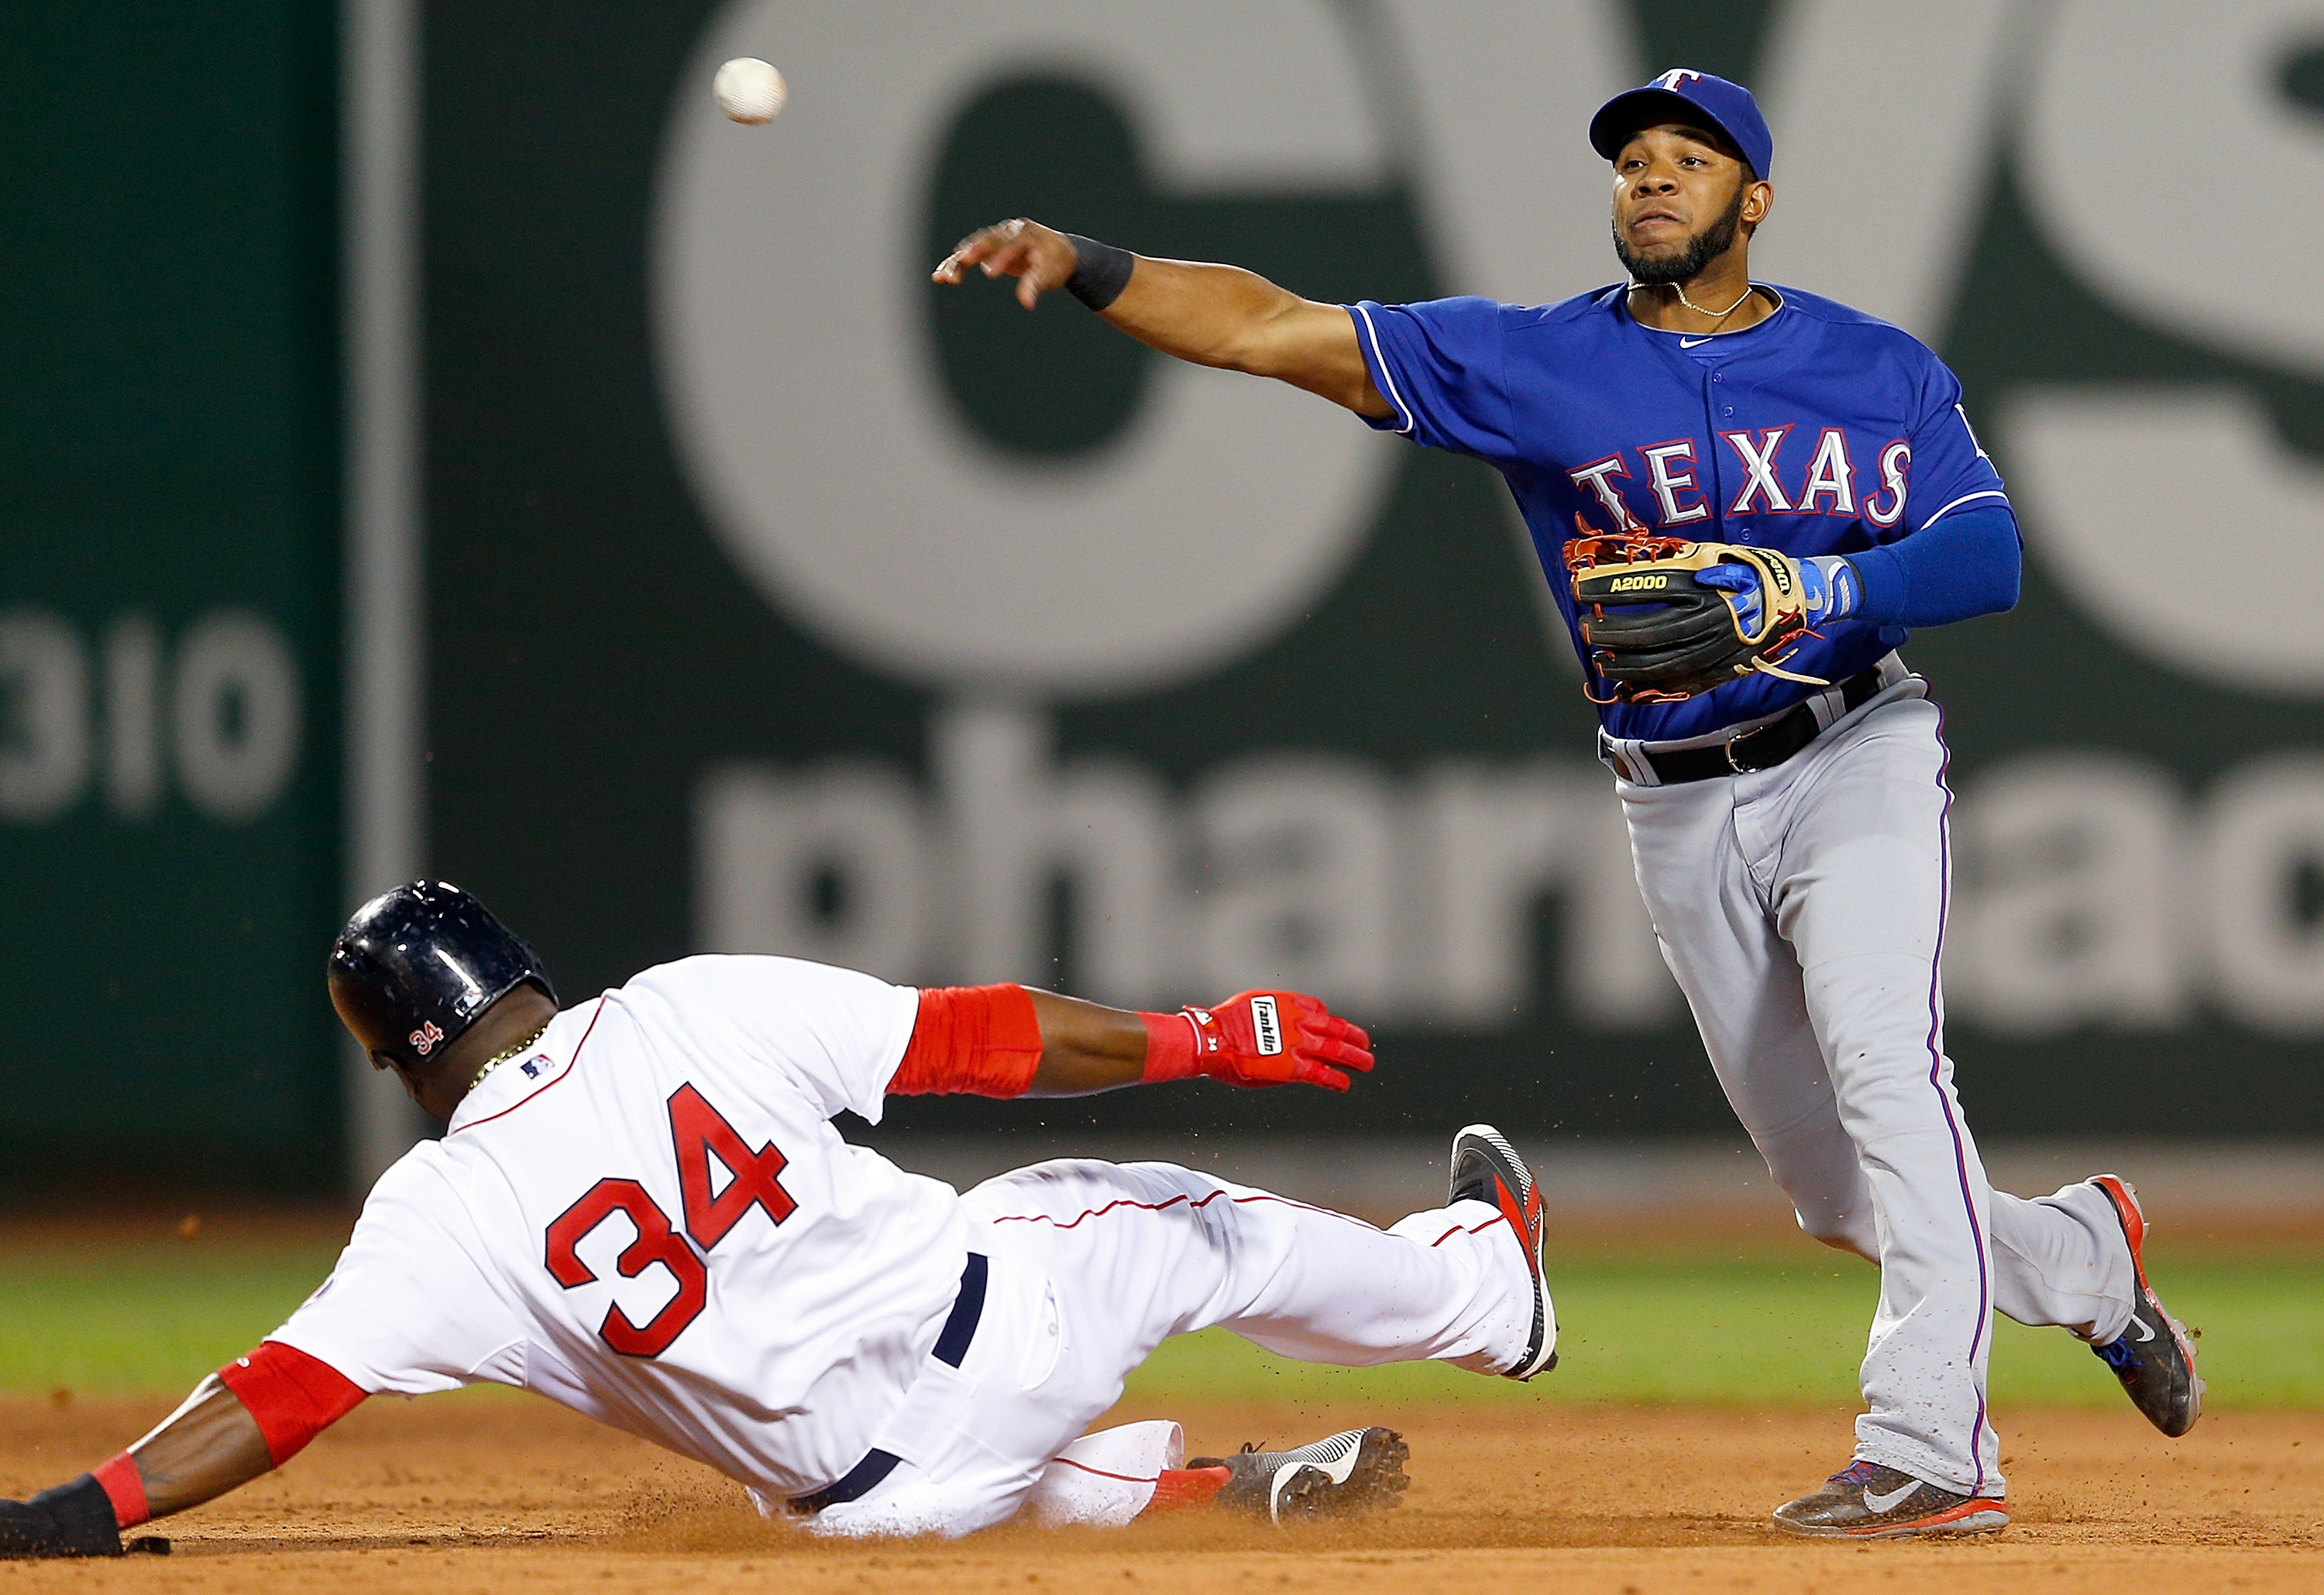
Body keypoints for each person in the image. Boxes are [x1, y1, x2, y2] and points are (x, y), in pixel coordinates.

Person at [932, 68, 2201, 1540]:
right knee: (1841, 1197)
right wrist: (1090, 265)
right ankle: (2086, 1264)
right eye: (1633, 162)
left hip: (1857, 749)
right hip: (1672, 797)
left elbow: (1987, 554)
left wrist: (1818, 585)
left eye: (1690, 159)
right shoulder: (1537, 365)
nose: (1653, 179)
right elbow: (1271, 326)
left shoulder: (1877, 367)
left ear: (1755, 200)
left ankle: (1933, 1446)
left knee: (1891, 1075)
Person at [0, 881, 1555, 1556]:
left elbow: (277, 1395)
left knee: (858, 1457)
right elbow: (986, 1039)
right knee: (1152, 1209)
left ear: (392, 1056)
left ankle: (1218, 1500)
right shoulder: (681, 1009)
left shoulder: (437, 1213)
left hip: (875, 1517)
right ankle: (1493, 1293)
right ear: (510, 960)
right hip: (1006, 1333)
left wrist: (81, 1510)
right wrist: (1203, 1037)